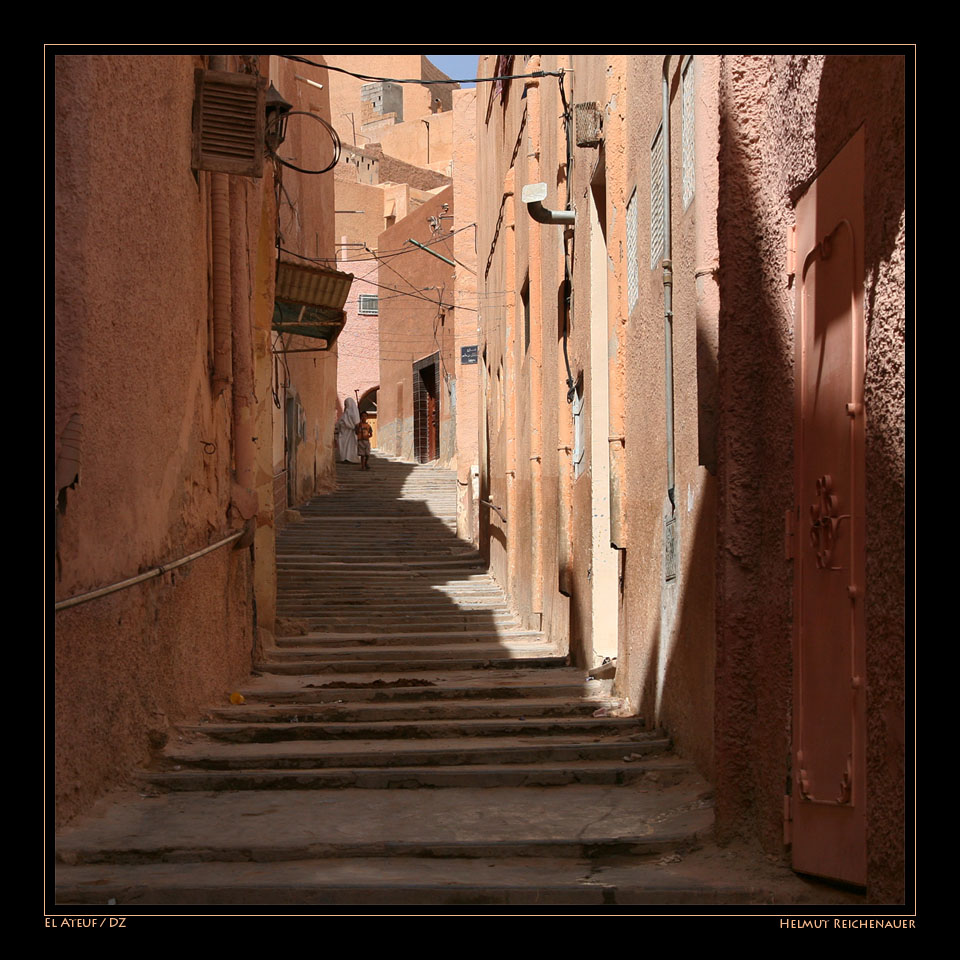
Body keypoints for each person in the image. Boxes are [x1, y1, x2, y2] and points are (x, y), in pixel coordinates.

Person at [336, 397, 360, 463]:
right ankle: (344, 458)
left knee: (351, 446)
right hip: (344, 432)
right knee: (343, 445)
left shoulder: (353, 412)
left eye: (346, 404)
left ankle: (351, 458)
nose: (345, 406)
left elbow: (356, 422)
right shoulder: (346, 412)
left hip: (351, 432)